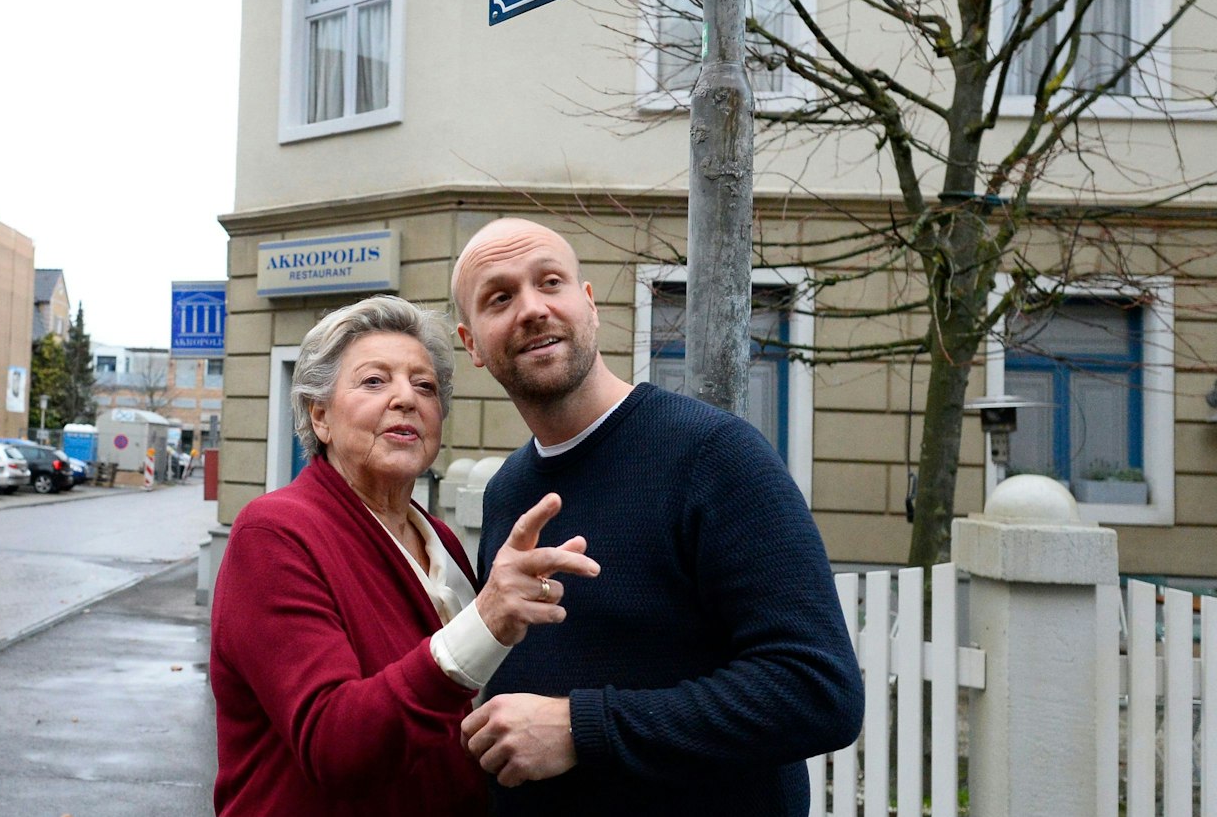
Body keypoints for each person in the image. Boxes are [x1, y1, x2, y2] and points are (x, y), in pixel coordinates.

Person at [451, 219, 863, 815]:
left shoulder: (715, 456)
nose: (532, 309)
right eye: (500, 297)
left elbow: (819, 693)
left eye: (551, 282)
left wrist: (580, 728)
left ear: (588, 305)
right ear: (472, 344)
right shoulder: (508, 491)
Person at [210, 295, 601, 816]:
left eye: (425, 386)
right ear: (320, 415)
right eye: (374, 381)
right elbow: (338, 747)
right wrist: (485, 621)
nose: (406, 399)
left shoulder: (438, 536)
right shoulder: (276, 532)